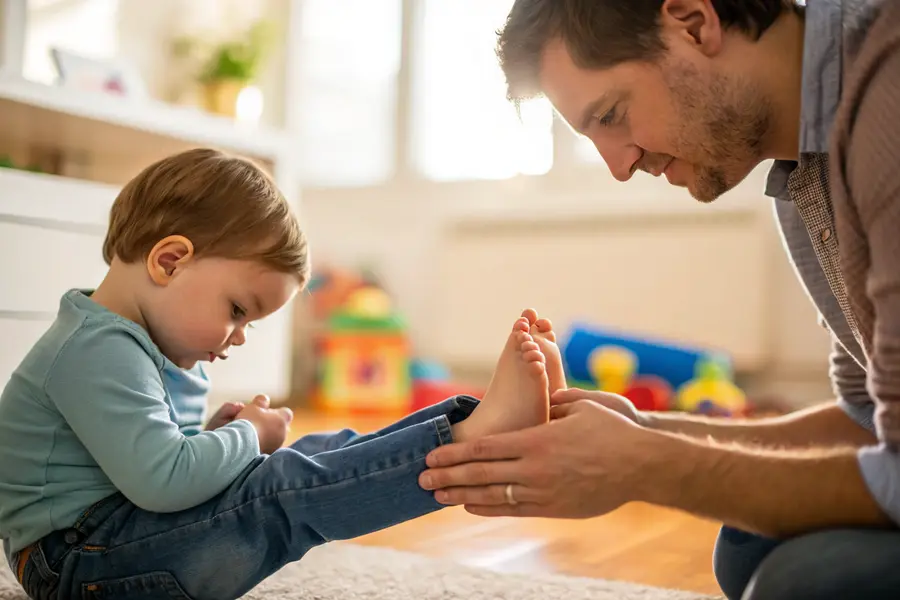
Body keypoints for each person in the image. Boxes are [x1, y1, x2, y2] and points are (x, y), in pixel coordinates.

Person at [417, 1, 900, 598]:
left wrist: (643, 463)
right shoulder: (805, 175)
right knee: (749, 548)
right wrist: (645, 430)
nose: (620, 166)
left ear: (695, 23)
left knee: (805, 583)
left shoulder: (887, 83)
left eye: (613, 115)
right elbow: (867, 422)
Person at [0, 147, 560, 600]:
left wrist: (218, 436)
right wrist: (247, 437)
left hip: (104, 544)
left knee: (316, 452)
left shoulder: (131, 346)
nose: (240, 336)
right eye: (238, 310)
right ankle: (468, 440)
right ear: (169, 261)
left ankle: (471, 427)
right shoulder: (98, 351)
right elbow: (162, 482)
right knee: (284, 487)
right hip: (75, 565)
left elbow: (150, 467)